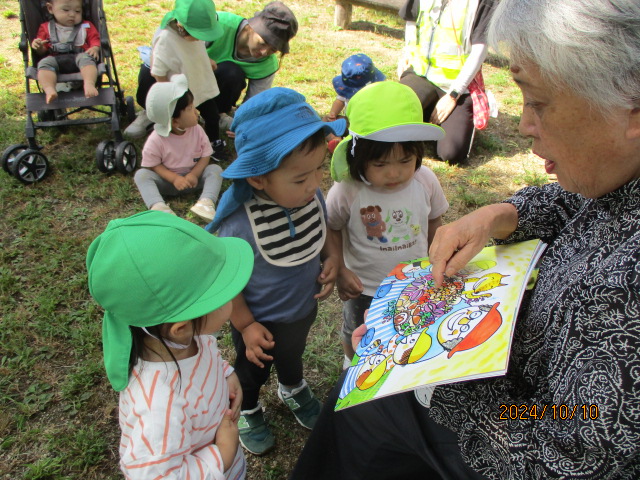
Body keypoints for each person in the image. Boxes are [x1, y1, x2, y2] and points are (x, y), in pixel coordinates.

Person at [291, 0, 640, 478]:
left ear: (631, 108)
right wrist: (502, 213)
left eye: (537, 102)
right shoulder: (617, 176)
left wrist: (427, 373)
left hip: (507, 434)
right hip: (501, 383)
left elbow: (565, 450)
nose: (523, 127)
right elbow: (575, 205)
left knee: (360, 407)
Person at [205, 87, 345, 456]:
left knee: (293, 352)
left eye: (317, 171)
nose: (315, 184)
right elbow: (228, 280)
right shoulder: (239, 224)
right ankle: (247, 407)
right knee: (252, 373)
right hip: (258, 323)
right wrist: (246, 325)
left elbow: (325, 226)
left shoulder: (307, 196)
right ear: (257, 178)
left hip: (301, 308)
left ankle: (293, 386)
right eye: (301, 179)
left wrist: (332, 258)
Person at [86, 210, 254, 478]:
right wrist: (222, 452)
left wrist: (225, 374)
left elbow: (207, 356)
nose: (235, 294)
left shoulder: (188, 339)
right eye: (224, 291)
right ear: (180, 327)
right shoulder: (158, 408)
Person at [326, 81, 448, 368]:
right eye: (380, 165)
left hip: (414, 282)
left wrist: (436, 258)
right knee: (356, 329)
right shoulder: (348, 190)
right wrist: (340, 269)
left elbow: (435, 220)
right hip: (364, 286)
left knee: (409, 328)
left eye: (405, 161)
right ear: (359, 157)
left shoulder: (425, 181)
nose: (395, 173)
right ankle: (352, 365)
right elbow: (332, 226)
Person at [124, 0, 227, 161]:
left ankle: (213, 143)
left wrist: (207, 60)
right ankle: (178, 149)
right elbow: (158, 71)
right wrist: (167, 94)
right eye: (199, 34)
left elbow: (196, 51)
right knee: (182, 122)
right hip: (180, 90)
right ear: (181, 26)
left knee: (212, 115)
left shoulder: (193, 33)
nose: (201, 38)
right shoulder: (165, 38)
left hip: (199, 83)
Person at [397, 0, 495, 163]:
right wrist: (408, 52)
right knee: (393, 118)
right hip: (422, 74)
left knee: (450, 154)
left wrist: (453, 95)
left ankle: (457, 114)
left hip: (458, 85)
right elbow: (411, 18)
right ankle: (428, 111)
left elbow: (480, 50)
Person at [133, 74, 223, 222]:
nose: (196, 111)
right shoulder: (156, 139)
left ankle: (206, 202)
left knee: (215, 170)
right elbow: (154, 164)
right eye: (190, 108)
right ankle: (158, 207)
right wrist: (174, 179)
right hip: (167, 182)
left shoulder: (197, 130)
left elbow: (205, 155)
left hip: (194, 180)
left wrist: (194, 174)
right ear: (175, 122)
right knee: (141, 175)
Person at [206, 1, 298, 132]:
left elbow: (253, 103)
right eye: (263, 43)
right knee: (228, 70)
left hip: (218, 93)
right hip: (188, 79)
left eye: (273, 49)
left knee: (232, 73)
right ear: (250, 27)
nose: (264, 52)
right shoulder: (219, 25)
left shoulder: (267, 64)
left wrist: (246, 125)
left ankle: (217, 114)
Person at [31, 0, 100, 104]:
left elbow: (95, 39)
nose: (72, 14)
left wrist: (95, 48)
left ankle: (89, 84)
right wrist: (39, 46)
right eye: (66, 10)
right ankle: (50, 90)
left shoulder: (86, 26)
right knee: (44, 64)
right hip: (55, 60)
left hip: (79, 58)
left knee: (87, 60)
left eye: (77, 11)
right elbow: (42, 50)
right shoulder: (46, 27)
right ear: (50, 9)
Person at [325, 53, 385, 122]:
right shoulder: (347, 90)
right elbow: (340, 101)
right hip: (352, 121)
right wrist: (333, 113)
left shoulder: (377, 89)